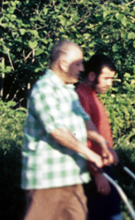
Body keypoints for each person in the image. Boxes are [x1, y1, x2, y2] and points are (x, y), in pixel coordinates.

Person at [22, 39, 113, 220]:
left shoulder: (69, 91)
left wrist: (102, 143)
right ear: (63, 64)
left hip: (72, 178)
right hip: (47, 181)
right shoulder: (44, 89)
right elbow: (57, 131)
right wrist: (91, 155)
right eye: (78, 64)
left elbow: (85, 121)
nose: (82, 68)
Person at [76, 53, 122, 220]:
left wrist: (109, 149)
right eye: (106, 78)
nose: (110, 84)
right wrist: (96, 174)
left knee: (114, 214)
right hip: (94, 170)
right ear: (92, 75)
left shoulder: (92, 96)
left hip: (104, 167)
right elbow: (80, 138)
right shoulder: (81, 96)